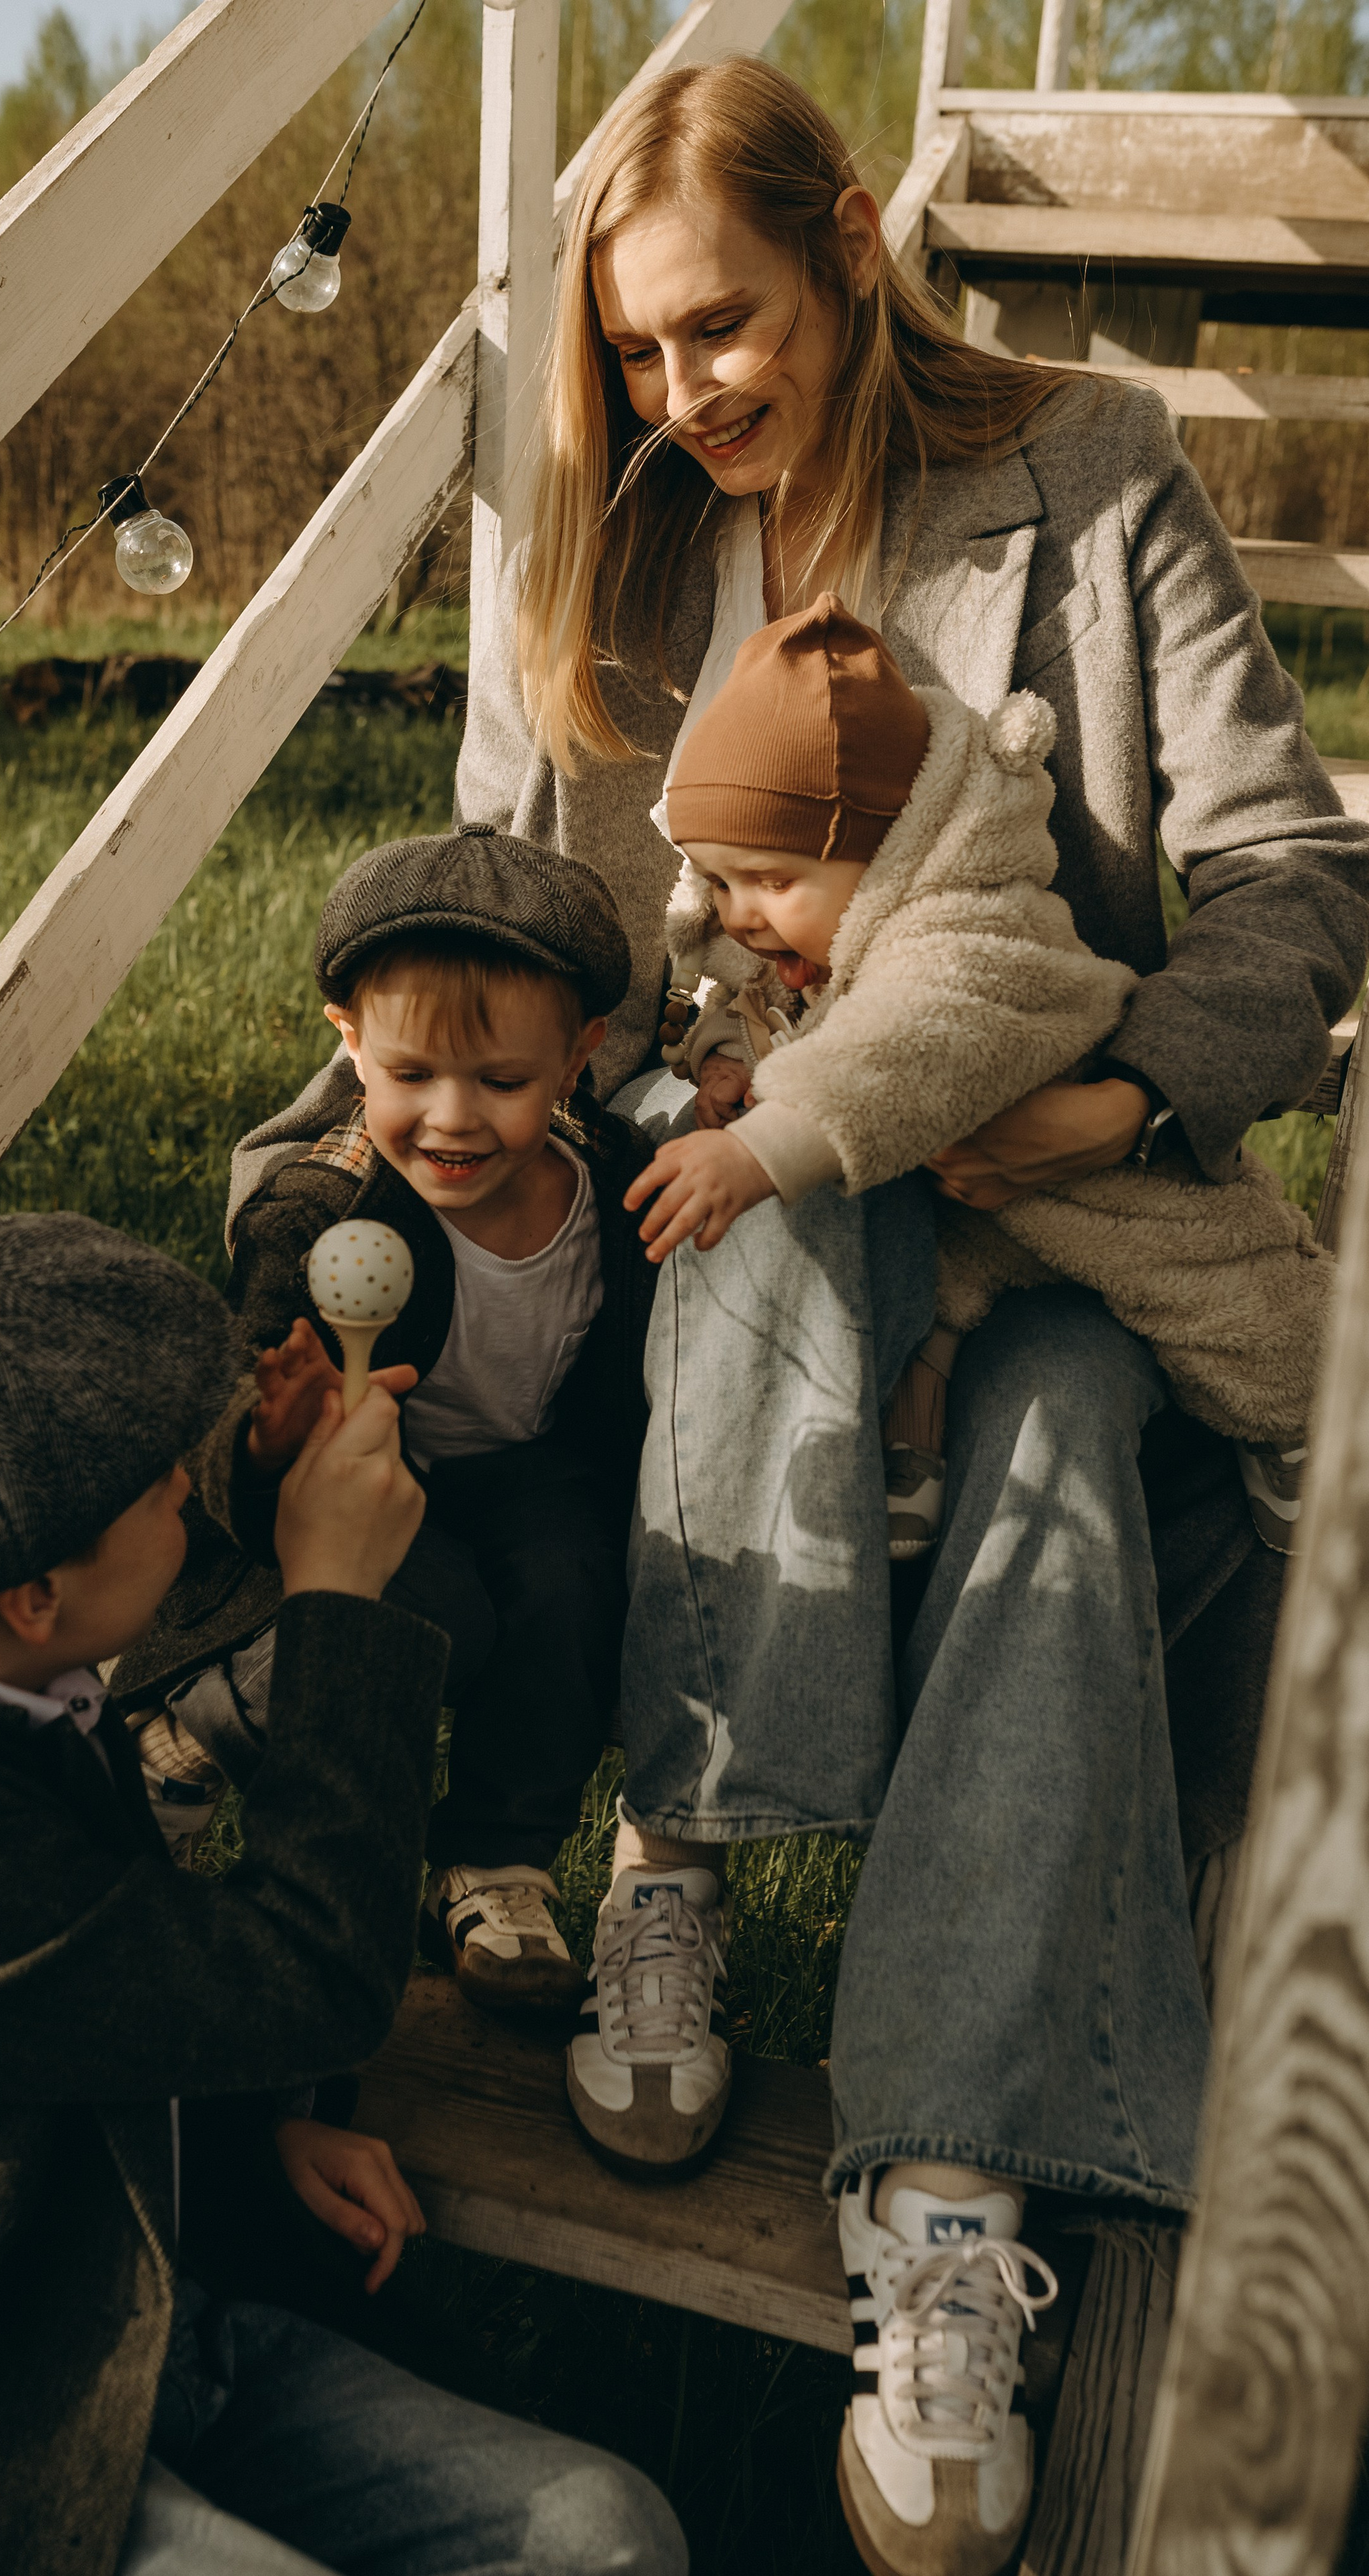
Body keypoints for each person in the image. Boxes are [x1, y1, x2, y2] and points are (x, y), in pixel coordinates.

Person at [451, 50, 1369, 2576]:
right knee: (756, 1213)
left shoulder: (1082, 468)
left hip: (1041, 1167)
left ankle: (953, 2184)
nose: (683, 394)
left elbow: (1290, 877)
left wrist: (1112, 1108)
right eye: (638, 353)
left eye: (721, 326)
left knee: (1066, 1415)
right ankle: (683, 1848)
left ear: (856, 242)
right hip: (714, 1194)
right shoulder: (624, 545)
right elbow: (531, 930)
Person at [0, 1212, 684, 2576]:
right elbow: (310, 1967)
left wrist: (243, 2126)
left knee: (612, 2539)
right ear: (30, 1593)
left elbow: (102, 1972)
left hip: (135, 2306)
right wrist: (334, 1609)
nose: (187, 1504)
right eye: (157, 1491)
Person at [642, 594, 1330, 1557]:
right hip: (974, 1216)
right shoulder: (822, 926)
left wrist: (759, 1149)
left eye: (770, 880)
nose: (743, 915)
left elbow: (896, 1045)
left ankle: (1314, 1424)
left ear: (890, 853)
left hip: (1118, 1193)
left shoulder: (972, 935)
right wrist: (723, 1059)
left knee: (1240, 1313)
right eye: (718, 883)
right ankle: (913, 1442)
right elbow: (770, 1005)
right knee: (937, 1303)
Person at [134, 826, 657, 2016]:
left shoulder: (615, 1182)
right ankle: (191, 1736)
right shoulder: (321, 1212)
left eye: (503, 1083)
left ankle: (496, 1865)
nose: (453, 1120)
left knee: (572, 1585)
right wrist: (273, 1436)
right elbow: (225, 1417)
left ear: (579, 1057)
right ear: (350, 1042)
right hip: (364, 1476)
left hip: (530, 1466)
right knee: (433, 1614)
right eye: (411, 1074)